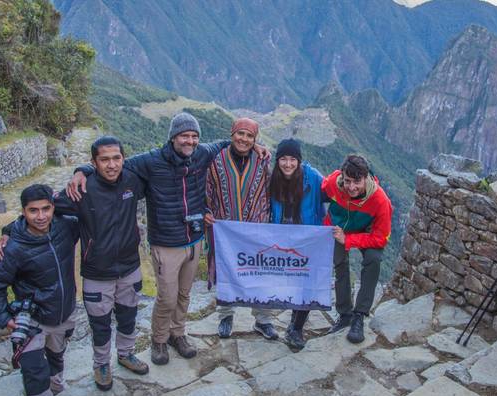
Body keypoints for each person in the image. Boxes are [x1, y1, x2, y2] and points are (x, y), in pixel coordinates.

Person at [67, 113, 268, 365]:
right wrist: (83, 170)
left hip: (194, 240)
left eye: (194, 136)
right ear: (173, 137)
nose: (190, 141)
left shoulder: (202, 154)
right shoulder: (151, 161)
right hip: (166, 243)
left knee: (184, 294)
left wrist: (256, 146)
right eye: (185, 136)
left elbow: (228, 143)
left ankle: (178, 334)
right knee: (167, 297)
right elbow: (115, 165)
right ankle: (159, 339)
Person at [0, 136, 150, 390]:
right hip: (96, 272)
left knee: (128, 317)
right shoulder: (80, 190)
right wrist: (8, 229)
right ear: (94, 162)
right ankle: (101, 364)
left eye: (116, 158)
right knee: (100, 325)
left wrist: (83, 168)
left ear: (123, 159)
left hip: (130, 267)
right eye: (104, 160)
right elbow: (42, 208)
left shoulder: (132, 181)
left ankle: (126, 354)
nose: (111, 165)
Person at [0, 184, 79, 396]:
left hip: (63, 314)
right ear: (23, 212)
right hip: (32, 320)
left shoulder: (65, 228)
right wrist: (4, 317)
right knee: (34, 372)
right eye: (33, 210)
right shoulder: (14, 248)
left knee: (57, 357)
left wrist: (81, 172)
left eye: (46, 209)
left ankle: (56, 387)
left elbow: (87, 212)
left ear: (54, 208)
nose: (41, 216)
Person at [204, 117, 277, 340]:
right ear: (232, 134)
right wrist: (205, 210)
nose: (244, 139)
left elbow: (268, 190)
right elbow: (206, 188)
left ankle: (263, 320)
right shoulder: (215, 160)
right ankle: (226, 315)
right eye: (240, 134)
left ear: (255, 139)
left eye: (250, 136)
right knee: (225, 271)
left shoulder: (262, 160)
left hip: (256, 228)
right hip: (224, 228)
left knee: (260, 272)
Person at [323, 155, 393, 344]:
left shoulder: (380, 200)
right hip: (338, 229)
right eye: (347, 181)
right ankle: (345, 313)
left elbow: (381, 238)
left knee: (373, 260)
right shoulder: (333, 183)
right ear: (342, 177)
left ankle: (359, 315)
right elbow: (320, 190)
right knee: (339, 263)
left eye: (357, 181)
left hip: (367, 231)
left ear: (366, 177)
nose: (351, 187)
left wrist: (350, 240)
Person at [268, 138, 326, 351]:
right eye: (283, 159)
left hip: (308, 239)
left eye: (293, 159)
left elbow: (335, 193)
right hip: (281, 239)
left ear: (299, 161)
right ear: (278, 160)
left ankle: (297, 327)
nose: (288, 164)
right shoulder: (271, 179)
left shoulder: (312, 178)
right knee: (291, 282)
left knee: (306, 283)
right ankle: (289, 317)